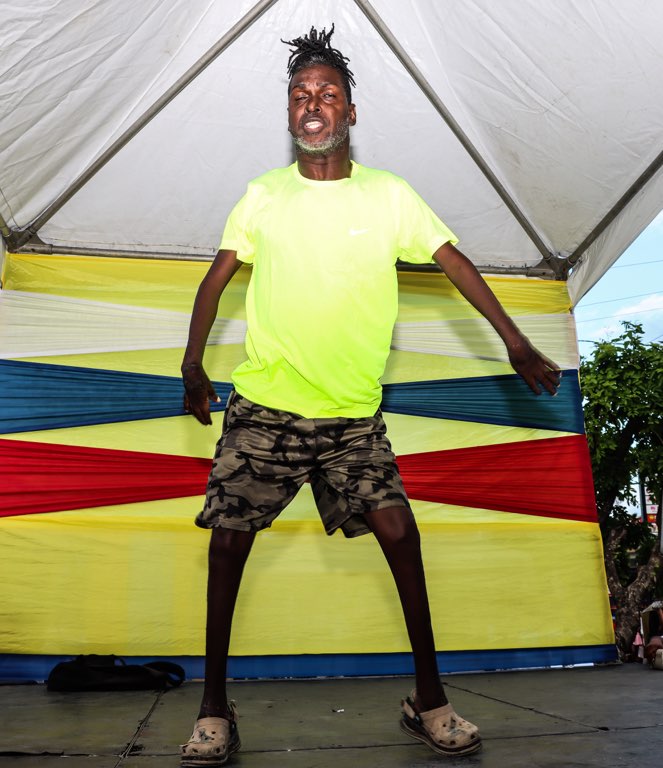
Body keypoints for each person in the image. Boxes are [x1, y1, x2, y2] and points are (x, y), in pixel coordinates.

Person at [179, 25, 561, 766]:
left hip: (352, 417)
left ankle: (430, 701)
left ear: (349, 112)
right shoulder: (262, 196)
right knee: (227, 542)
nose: (312, 104)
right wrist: (193, 364)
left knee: (400, 536)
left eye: (326, 93)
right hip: (266, 409)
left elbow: (453, 261)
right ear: (290, 114)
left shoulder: (389, 195)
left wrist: (513, 340)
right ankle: (213, 709)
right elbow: (214, 280)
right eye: (300, 94)